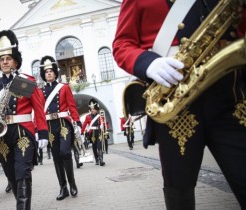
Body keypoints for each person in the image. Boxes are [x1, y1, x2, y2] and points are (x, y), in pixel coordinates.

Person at [112, 0, 246, 209]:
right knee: (179, 189)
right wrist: (148, 63)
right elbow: (122, 44)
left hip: (229, 95)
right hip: (176, 104)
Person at [0, 30, 48, 210]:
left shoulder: (26, 81)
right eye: (1, 58)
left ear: (16, 61)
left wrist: (42, 132)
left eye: (8, 58)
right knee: (11, 175)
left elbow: (38, 108)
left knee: (22, 172)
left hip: (23, 132)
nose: (4, 61)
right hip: (2, 136)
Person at [39, 55, 82, 201]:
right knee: (56, 157)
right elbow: (38, 112)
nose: (49, 73)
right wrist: (39, 130)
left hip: (64, 123)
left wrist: (78, 122)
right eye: (46, 72)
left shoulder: (63, 88)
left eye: (51, 71)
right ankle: (63, 188)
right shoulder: (40, 91)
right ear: (43, 75)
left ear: (55, 73)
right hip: (50, 126)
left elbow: (72, 106)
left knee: (65, 152)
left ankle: (72, 183)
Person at [81, 99, 106, 166]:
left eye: (94, 109)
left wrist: (103, 127)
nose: (92, 110)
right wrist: (82, 132)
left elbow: (102, 124)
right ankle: (97, 159)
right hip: (92, 134)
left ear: (96, 109)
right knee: (94, 147)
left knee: (99, 146)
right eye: (91, 109)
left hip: (99, 132)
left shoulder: (100, 116)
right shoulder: (88, 116)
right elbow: (84, 124)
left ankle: (101, 160)